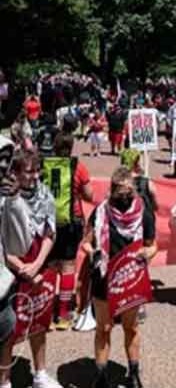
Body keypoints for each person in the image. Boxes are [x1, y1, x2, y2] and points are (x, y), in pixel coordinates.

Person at [84, 167, 157, 388]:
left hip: (130, 279)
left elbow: (152, 245)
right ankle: (101, 375)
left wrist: (147, 254)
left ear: (134, 191)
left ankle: (133, 372)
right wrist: (92, 252)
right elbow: (86, 241)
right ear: (112, 191)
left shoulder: (143, 212)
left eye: (128, 193)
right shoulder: (100, 212)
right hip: (104, 277)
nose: (124, 198)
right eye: (119, 194)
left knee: (131, 327)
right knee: (103, 328)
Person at [0, 149, 60, 388]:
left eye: (37, 170)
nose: (35, 176)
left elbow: (49, 232)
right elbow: (3, 241)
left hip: (37, 265)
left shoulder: (45, 193)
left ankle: (40, 374)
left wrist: (36, 265)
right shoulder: (5, 197)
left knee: (39, 322)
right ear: (14, 172)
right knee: (8, 331)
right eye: (29, 171)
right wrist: (20, 266)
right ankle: (4, 381)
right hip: (10, 270)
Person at [46, 133, 93, 330]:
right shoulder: (77, 167)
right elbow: (89, 195)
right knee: (68, 266)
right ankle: (63, 314)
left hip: (48, 221)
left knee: (48, 267)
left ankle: (46, 314)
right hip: (72, 221)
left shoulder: (45, 165)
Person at [0, 137, 33, 352]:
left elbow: (20, 246)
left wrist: (13, 202)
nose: (3, 165)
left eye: (6, 159)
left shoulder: (7, 198)